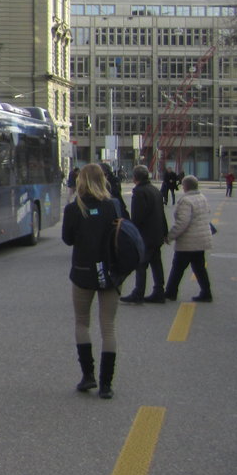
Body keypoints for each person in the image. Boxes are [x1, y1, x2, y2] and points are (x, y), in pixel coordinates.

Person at [61, 163, 122, 399]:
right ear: (103, 180)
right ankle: (106, 385)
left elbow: (67, 240)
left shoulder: (74, 209)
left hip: (83, 271)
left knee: (82, 323)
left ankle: (88, 376)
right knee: (108, 328)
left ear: (81, 181)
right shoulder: (112, 206)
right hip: (109, 272)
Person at [120, 165, 167, 304]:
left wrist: (132, 233)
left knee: (141, 264)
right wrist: (165, 231)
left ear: (135, 177)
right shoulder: (154, 190)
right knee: (156, 264)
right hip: (157, 233)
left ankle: (138, 293)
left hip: (145, 235)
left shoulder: (139, 192)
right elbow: (161, 213)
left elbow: (137, 217)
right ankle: (159, 291)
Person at [163, 174, 213, 303]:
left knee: (177, 267)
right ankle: (206, 292)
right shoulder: (202, 197)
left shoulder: (186, 200)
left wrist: (170, 236)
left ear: (185, 186)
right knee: (199, 267)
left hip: (189, 240)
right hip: (201, 239)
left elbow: (182, 223)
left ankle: (170, 292)